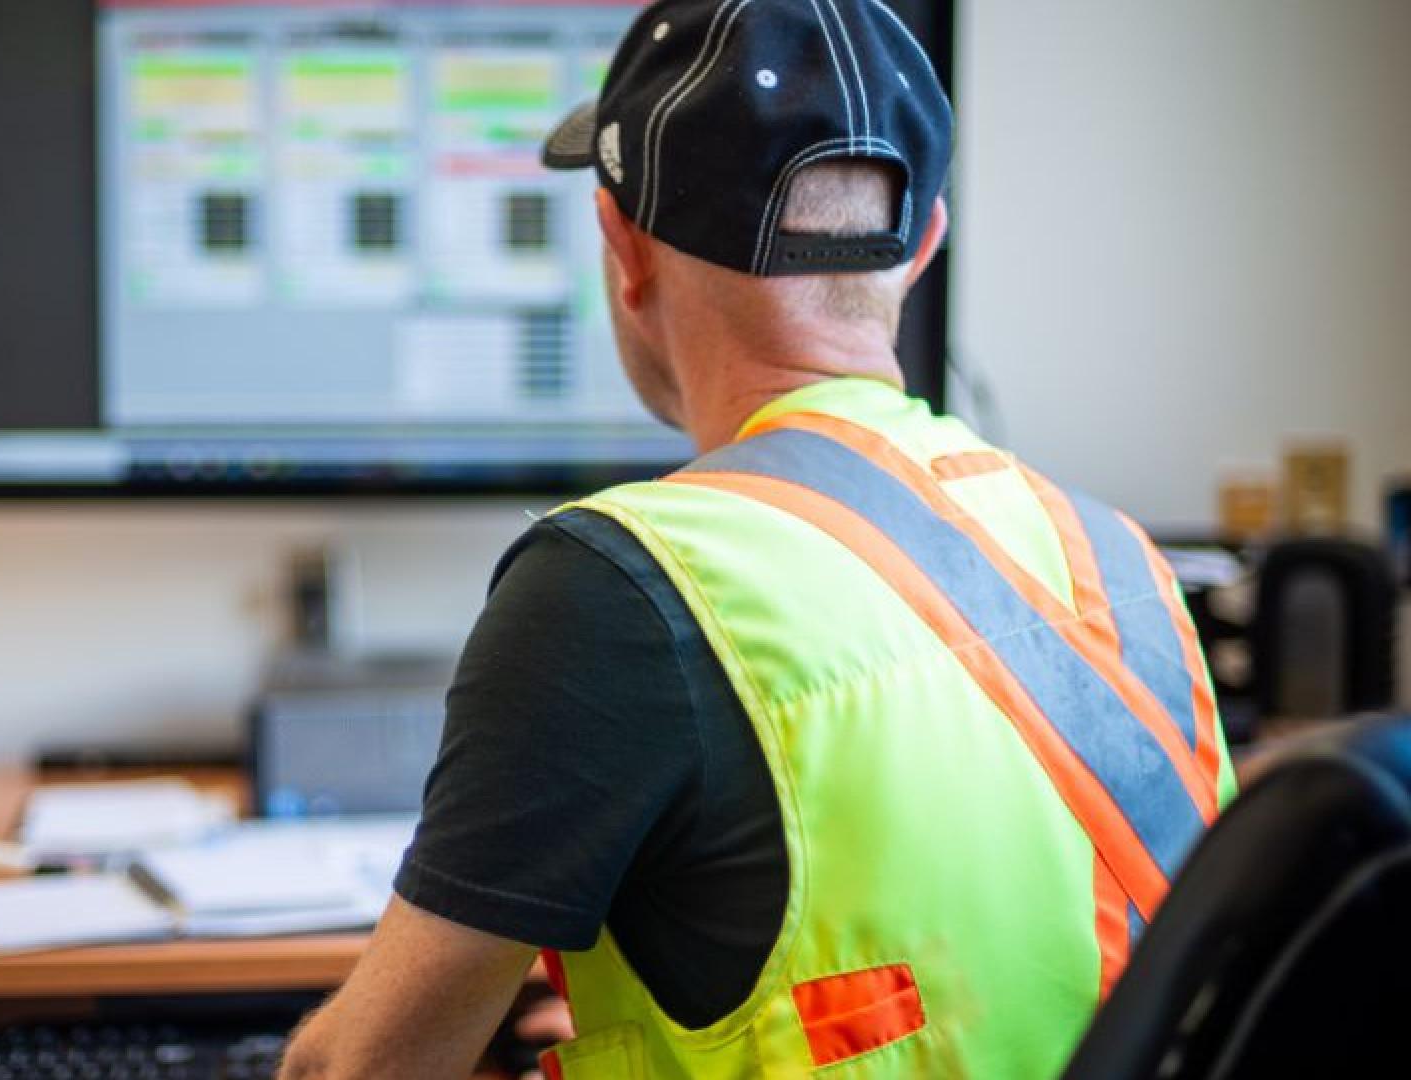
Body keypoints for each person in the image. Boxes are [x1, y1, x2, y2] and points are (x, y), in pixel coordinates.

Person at [281, 0, 1235, 1076]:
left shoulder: (618, 588)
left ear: (622, 247)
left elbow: (361, 1071)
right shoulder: (1124, 562)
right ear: (923, 244)